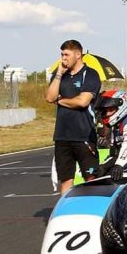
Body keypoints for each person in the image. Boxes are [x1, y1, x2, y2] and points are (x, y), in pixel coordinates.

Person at [46, 40, 101, 193]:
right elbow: (50, 98)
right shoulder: (59, 75)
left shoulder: (90, 75)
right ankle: (66, 213)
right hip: (62, 136)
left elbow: (82, 102)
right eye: (62, 54)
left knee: (91, 179)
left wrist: (61, 100)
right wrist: (58, 74)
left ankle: (92, 211)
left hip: (84, 135)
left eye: (66, 54)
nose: (63, 58)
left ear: (78, 55)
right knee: (65, 181)